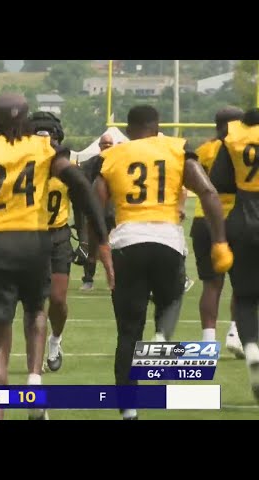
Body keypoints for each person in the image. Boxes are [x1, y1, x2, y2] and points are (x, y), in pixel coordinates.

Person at [0, 93, 113, 421]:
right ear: (25, 118)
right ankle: (34, 382)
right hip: (35, 242)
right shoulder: (44, 149)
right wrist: (101, 233)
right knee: (35, 312)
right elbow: (80, 185)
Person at [92, 105, 231, 420]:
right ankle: (162, 338)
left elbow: (94, 203)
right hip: (168, 241)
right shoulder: (176, 148)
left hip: (126, 242)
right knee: (169, 306)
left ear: (129, 128)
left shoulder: (113, 155)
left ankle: (128, 410)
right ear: (157, 126)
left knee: (128, 332)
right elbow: (208, 192)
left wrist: (97, 246)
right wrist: (220, 240)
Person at [209, 107, 259, 400]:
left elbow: (221, 182)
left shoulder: (234, 139)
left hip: (243, 218)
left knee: (245, 295)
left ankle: (251, 347)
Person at [189, 107, 244, 355]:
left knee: (212, 285)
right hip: (236, 218)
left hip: (204, 220)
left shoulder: (204, 150)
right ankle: (236, 332)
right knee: (244, 283)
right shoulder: (243, 148)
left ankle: (207, 342)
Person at [27, 111, 71, 372]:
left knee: (57, 299)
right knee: (35, 302)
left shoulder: (67, 166)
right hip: (30, 235)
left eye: (49, 134)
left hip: (58, 235)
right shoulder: (24, 165)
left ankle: (55, 339)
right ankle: (35, 357)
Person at [78, 133, 116, 291]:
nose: (107, 147)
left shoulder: (118, 163)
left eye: (109, 144)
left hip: (114, 212)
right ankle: (88, 279)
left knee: (118, 247)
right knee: (91, 248)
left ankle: (115, 280)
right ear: (99, 146)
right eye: (104, 144)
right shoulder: (90, 164)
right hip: (95, 212)